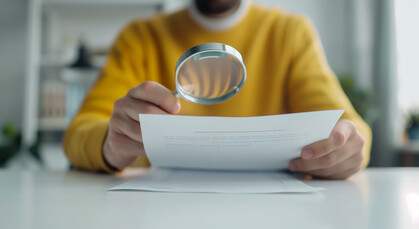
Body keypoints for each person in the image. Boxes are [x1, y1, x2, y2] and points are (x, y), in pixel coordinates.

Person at [63, 0, 372, 179]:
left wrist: (346, 147)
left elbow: (350, 128)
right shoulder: (139, 38)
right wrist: (108, 144)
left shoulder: (291, 34)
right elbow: (79, 132)